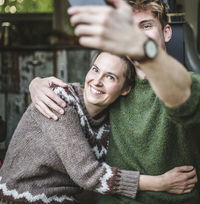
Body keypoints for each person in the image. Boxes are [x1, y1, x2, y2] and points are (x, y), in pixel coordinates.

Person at [29, 0, 200, 204]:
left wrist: (147, 56)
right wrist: (36, 83)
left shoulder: (187, 84)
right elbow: (78, 95)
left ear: (166, 32)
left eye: (146, 26)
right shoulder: (116, 84)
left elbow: (182, 99)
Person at [1, 52, 195, 204]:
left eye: (110, 77)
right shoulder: (60, 100)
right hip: (20, 197)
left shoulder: (109, 119)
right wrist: (161, 183)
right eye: (95, 69)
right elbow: (87, 174)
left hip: (64, 198)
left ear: (126, 89)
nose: (97, 81)